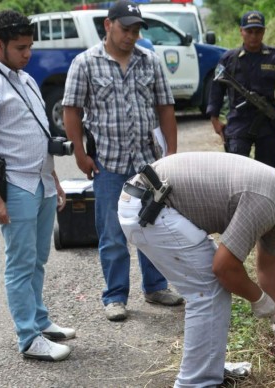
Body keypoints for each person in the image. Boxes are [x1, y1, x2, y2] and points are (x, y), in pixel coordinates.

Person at [118, 152, 275, 387]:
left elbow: (268, 262)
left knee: (212, 288)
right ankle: (195, 383)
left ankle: (207, 369)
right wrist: (258, 298)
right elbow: (224, 268)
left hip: (151, 201)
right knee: (208, 290)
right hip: (147, 207)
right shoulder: (265, 200)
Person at [0, 10, 75, 361]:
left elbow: (40, 134)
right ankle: (28, 338)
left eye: (30, 46)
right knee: (20, 263)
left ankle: (40, 321)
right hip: (15, 185)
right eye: (21, 47)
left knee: (39, 259)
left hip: (40, 181)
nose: (28, 54)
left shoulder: (24, 78)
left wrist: (54, 179)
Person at [62, 0, 183, 322]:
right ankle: (115, 296)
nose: (130, 36)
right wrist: (80, 153)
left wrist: (172, 152)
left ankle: (155, 287)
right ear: (108, 26)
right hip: (108, 166)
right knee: (113, 234)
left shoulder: (150, 61)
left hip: (148, 164)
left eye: (135, 30)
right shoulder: (85, 63)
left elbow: (165, 107)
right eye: (125, 29)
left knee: (152, 228)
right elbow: (71, 109)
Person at [207, 10, 275, 172]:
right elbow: (217, 88)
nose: (253, 36)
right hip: (238, 121)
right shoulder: (229, 59)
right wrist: (214, 118)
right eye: (249, 31)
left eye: (258, 32)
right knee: (236, 170)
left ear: (264, 31)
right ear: (241, 31)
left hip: (268, 122)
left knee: (270, 172)